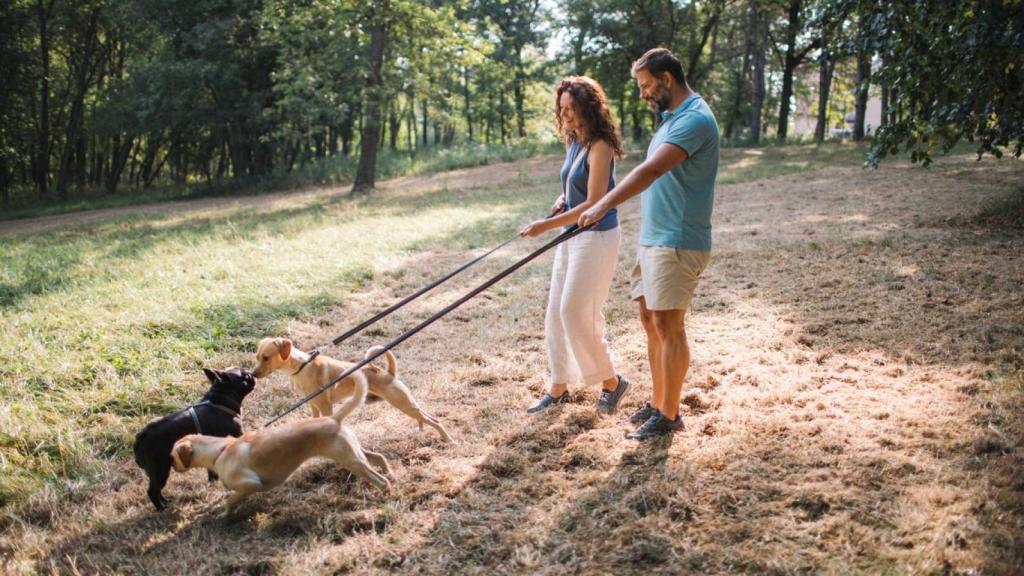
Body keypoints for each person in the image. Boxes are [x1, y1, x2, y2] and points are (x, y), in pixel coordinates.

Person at [579, 48, 719, 440]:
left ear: (667, 79)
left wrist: (604, 202)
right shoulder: (672, 119)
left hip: (678, 239)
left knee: (669, 326)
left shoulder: (694, 119)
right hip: (656, 237)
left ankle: (670, 414)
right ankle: (659, 403)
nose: (642, 93)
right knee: (651, 323)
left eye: (645, 85)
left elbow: (653, 169)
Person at [519, 76, 631, 416]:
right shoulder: (576, 141)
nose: (564, 114)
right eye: (562, 108)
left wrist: (545, 226)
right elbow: (576, 189)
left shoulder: (600, 145)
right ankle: (559, 386)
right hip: (572, 236)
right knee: (556, 313)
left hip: (596, 238)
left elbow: (596, 202)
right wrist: (563, 198)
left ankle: (612, 383)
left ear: (587, 108)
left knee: (575, 312)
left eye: (571, 108)